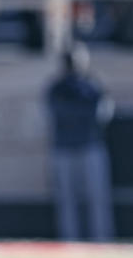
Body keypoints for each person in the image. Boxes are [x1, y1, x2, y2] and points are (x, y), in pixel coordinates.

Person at [45, 43, 114, 241]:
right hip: (64, 149)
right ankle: (70, 243)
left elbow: (102, 115)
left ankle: (102, 242)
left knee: (97, 199)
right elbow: (56, 113)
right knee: (67, 201)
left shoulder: (92, 87)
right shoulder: (56, 89)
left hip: (90, 147)